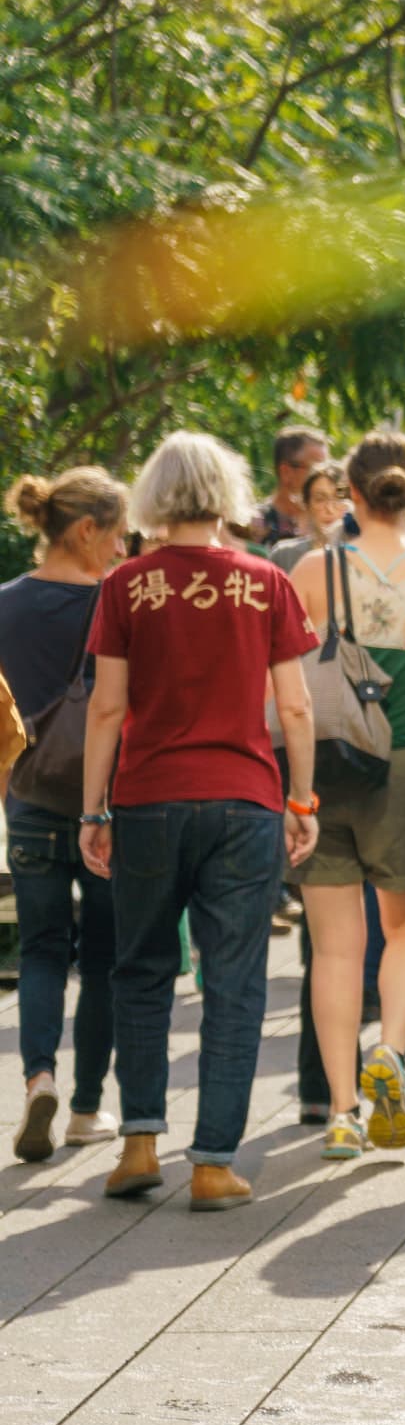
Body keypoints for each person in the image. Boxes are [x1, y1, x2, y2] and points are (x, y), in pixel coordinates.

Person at [81, 431, 320, 1211]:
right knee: (235, 980)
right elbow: (294, 706)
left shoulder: (127, 585)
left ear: (154, 494)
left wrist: (93, 808)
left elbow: (107, 707)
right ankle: (214, 1163)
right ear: (227, 493)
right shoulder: (265, 581)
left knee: (142, 970)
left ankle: (139, 1143)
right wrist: (302, 800)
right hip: (245, 800)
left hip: (148, 798)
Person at [290, 438, 405, 1161]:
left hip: (326, 771)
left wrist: (292, 790)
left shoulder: (313, 572)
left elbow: (287, 688)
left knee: (335, 950)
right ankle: (393, 1053)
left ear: (352, 493)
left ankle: (341, 1112)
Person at [0, 467, 129, 1161]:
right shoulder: (119, 601)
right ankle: (85, 1110)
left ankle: (38, 1078)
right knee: (103, 957)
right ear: (85, 530)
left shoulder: (5, 605)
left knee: (42, 949)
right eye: (116, 535)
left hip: (28, 797)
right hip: (106, 807)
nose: (122, 550)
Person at [254, 424, 330, 551]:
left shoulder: (332, 522)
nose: (325, 478)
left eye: (328, 470)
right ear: (286, 472)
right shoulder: (257, 524)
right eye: (317, 470)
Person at [267, 462, 350, 573]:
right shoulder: (284, 555)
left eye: (339, 499)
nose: (330, 509)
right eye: (320, 499)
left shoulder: (363, 555)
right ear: (307, 505)